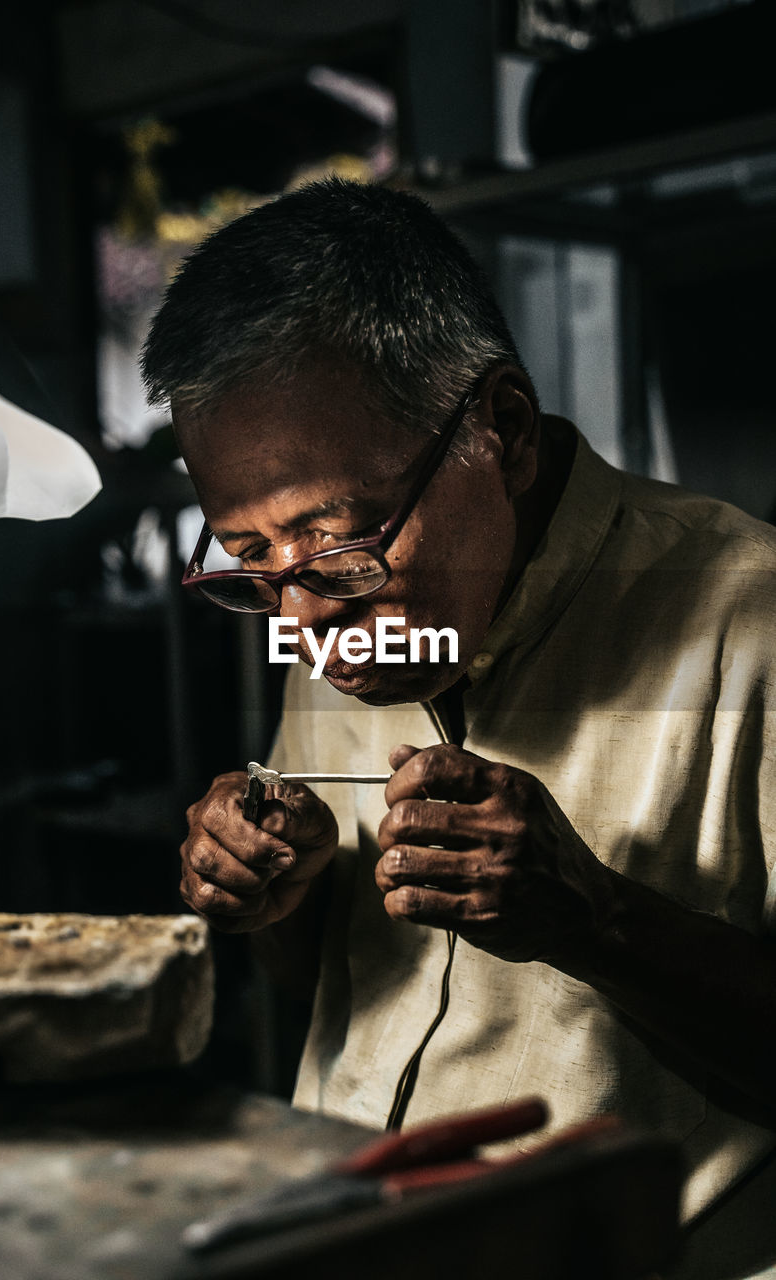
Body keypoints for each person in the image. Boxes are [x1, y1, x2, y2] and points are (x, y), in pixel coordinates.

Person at [141, 180, 776, 1278]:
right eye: (250, 562)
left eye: (335, 544)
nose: (301, 621)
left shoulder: (749, 623)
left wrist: (598, 922)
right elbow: (337, 996)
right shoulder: (331, 616)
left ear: (505, 430)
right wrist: (279, 902)